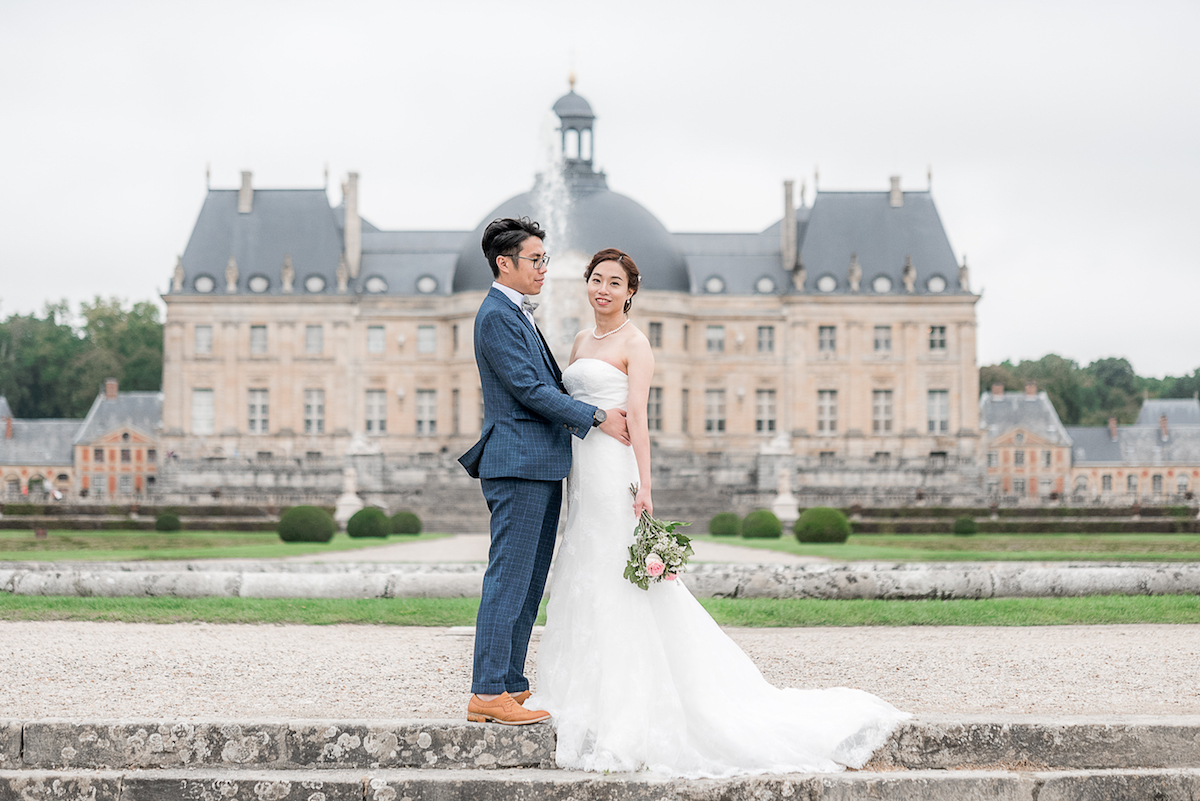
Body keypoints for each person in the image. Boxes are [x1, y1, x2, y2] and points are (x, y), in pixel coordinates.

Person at [528, 248, 910, 777]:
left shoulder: (636, 343)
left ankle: (630, 704)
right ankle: (584, 692)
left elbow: (638, 414)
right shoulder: (577, 341)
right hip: (583, 470)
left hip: (616, 469)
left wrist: (646, 486)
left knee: (620, 575)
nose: (602, 289)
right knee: (586, 568)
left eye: (614, 282)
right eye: (596, 280)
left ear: (630, 293)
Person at [458, 218, 630, 726]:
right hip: (517, 463)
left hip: (538, 461)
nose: (543, 269)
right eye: (535, 260)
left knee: (530, 580)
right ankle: (487, 691)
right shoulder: (496, 315)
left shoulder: (516, 313)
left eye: (544, 260)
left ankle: (511, 684)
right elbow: (530, 390)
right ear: (504, 263)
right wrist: (596, 416)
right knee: (509, 578)